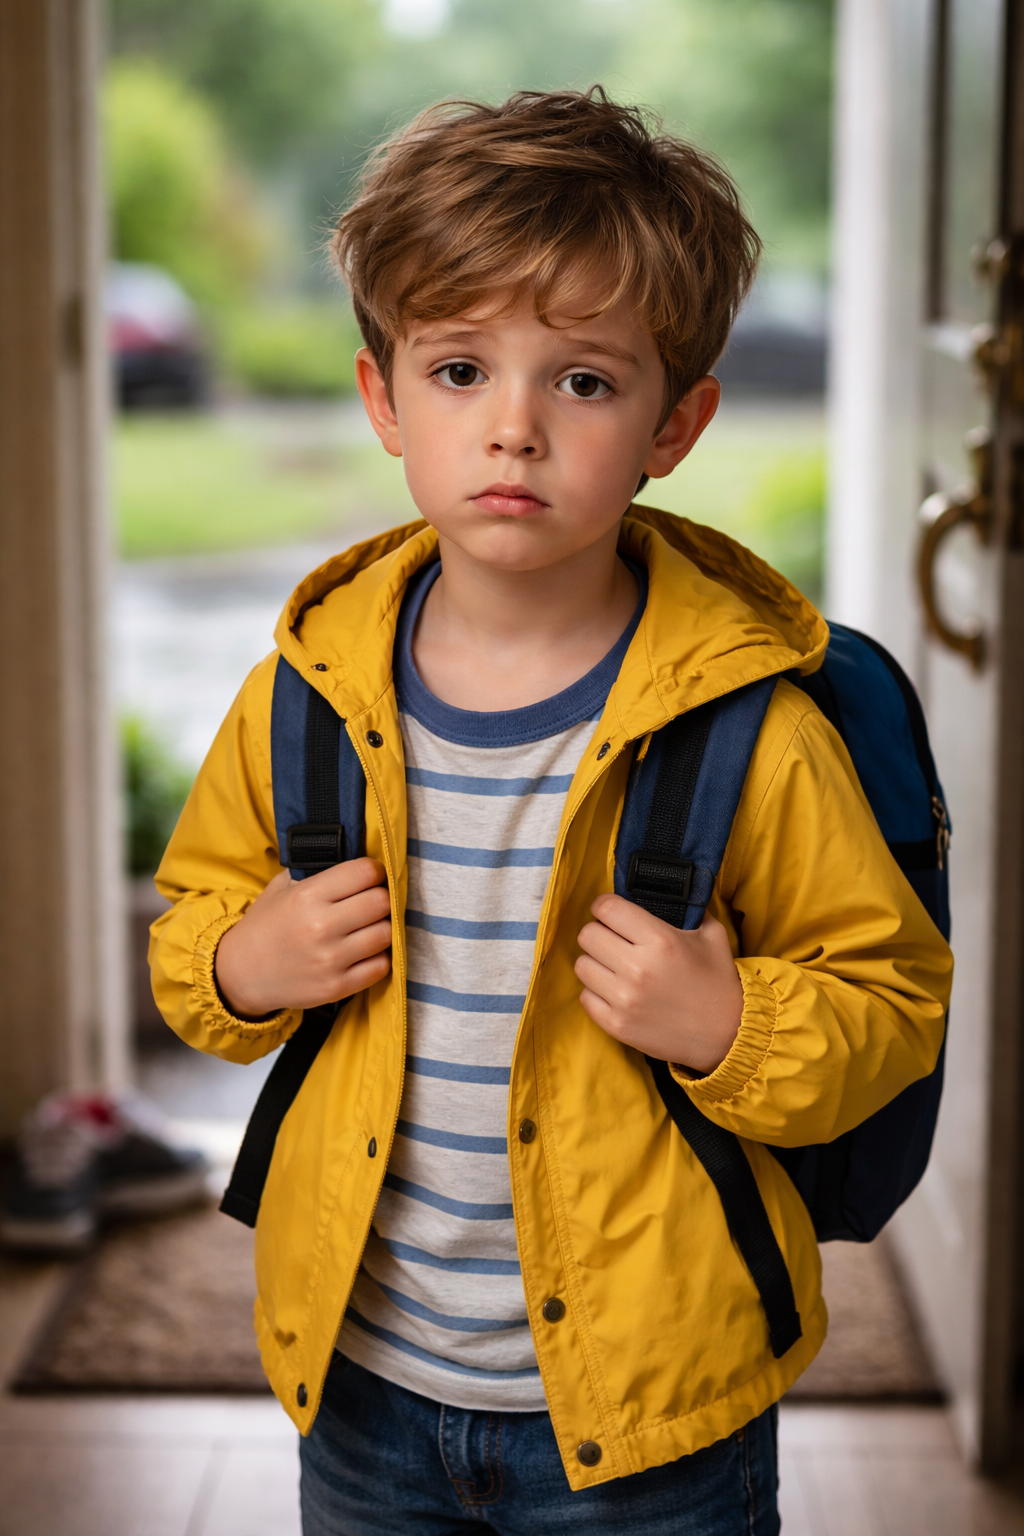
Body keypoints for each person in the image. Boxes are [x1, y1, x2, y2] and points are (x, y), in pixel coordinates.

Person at [150, 89, 953, 1535]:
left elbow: (887, 1008)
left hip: (658, 1415)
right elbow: (195, 931)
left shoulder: (748, 726)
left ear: (676, 421)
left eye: (583, 382)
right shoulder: (305, 699)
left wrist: (733, 1026)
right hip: (365, 1390)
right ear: (383, 398)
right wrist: (234, 965)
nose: (512, 429)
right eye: (459, 370)